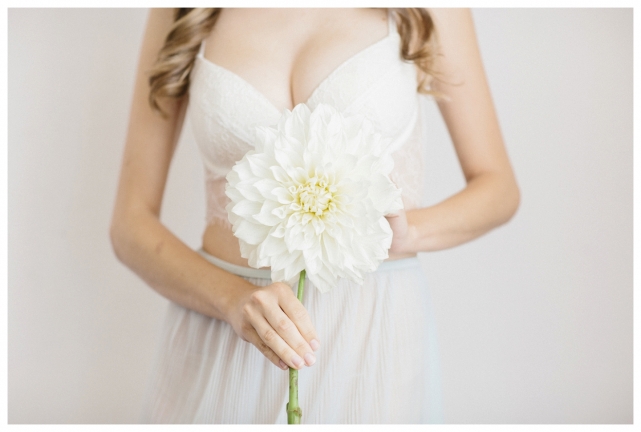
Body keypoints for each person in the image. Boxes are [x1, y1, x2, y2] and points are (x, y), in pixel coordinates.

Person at [110, 8, 520, 423]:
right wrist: (231, 299)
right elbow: (130, 224)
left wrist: (406, 233)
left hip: (369, 339)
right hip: (221, 334)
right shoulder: (182, 10)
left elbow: (498, 187)